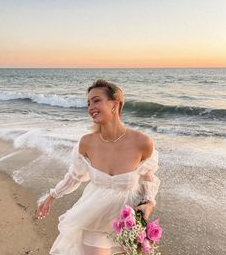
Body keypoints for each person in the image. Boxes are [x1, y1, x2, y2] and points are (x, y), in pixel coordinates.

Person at [36, 79, 160, 255]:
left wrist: (149, 204)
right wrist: (52, 196)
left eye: (96, 100)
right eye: (88, 103)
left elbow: (148, 177)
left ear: (115, 103)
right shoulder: (87, 143)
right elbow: (75, 175)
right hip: (95, 216)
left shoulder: (142, 143)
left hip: (127, 220)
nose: (90, 107)